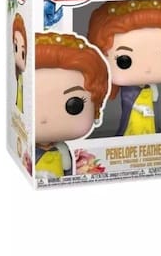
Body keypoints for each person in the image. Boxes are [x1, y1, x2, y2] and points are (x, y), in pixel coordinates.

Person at [88, 0, 161, 136]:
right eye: (124, 60)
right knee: (132, 126)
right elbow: (128, 103)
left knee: (148, 126)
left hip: (148, 115)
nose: (148, 69)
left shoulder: (150, 86)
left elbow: (154, 98)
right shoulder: (128, 90)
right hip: (135, 115)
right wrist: (140, 108)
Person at [35, 32, 109, 178]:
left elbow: (69, 170)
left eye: (74, 105)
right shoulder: (28, 152)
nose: (45, 118)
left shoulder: (62, 150)